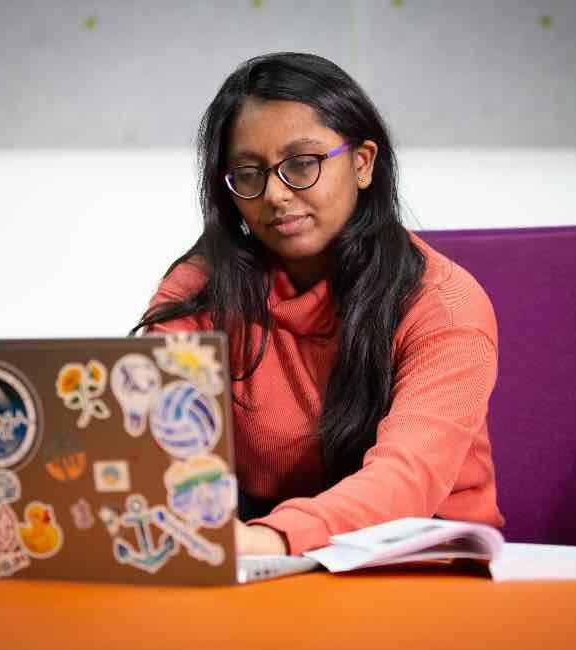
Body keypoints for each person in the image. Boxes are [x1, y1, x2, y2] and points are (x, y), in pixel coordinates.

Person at [134, 52, 504, 556]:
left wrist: (272, 538)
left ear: (362, 162)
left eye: (302, 164)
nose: (276, 195)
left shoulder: (443, 304)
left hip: (420, 558)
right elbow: (160, 450)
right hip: (263, 567)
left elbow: (407, 479)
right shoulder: (200, 288)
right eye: (248, 173)